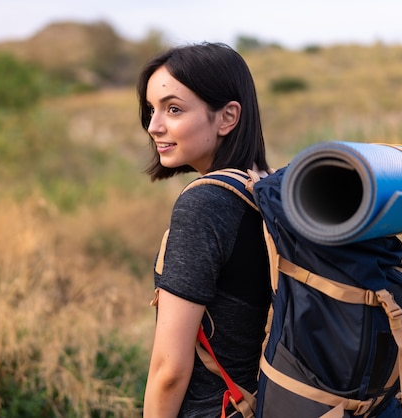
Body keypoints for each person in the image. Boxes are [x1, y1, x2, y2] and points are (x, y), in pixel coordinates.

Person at [137, 42, 273, 417]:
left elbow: (169, 371)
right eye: (152, 110)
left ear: (228, 117)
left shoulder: (206, 205)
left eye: (173, 109)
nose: (154, 126)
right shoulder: (269, 189)